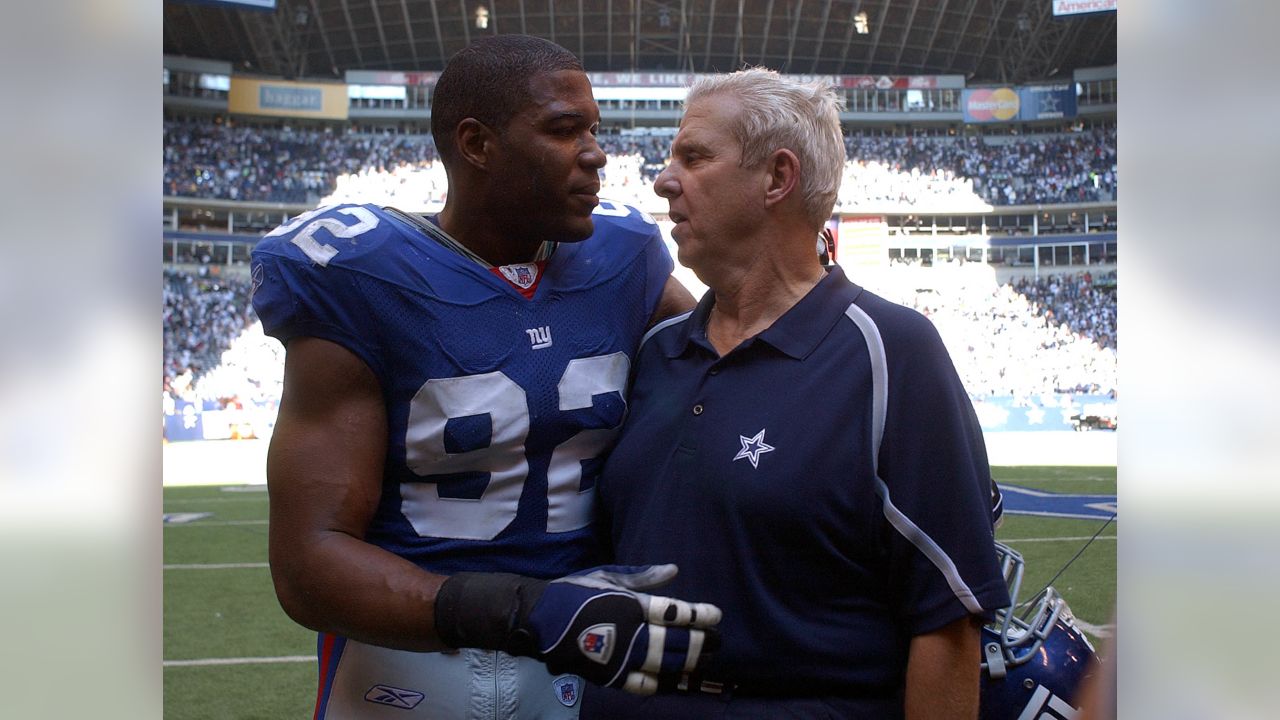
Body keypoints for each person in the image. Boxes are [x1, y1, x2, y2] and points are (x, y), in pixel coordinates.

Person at [249, 35, 718, 720]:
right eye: (564, 130)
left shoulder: (627, 258)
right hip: (407, 657)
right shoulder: (361, 275)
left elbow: (732, 377)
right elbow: (309, 565)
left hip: (579, 657)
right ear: (476, 144)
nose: (596, 153)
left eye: (594, 129)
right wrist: (521, 609)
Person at [585, 68, 1011, 718]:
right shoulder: (656, 352)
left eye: (693, 157)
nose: (663, 179)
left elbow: (947, 629)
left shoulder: (892, 351)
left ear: (776, 179)